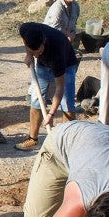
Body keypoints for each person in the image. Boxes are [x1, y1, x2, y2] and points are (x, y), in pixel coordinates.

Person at [14, 22, 79, 151]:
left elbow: (60, 88)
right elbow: (26, 42)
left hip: (67, 65)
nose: (36, 56)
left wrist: (51, 114)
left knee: (67, 103)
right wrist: (29, 55)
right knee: (36, 99)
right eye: (34, 53)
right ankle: (33, 139)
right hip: (43, 66)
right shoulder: (25, 29)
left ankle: (68, 144)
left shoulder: (57, 52)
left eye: (39, 52)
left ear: (43, 42)